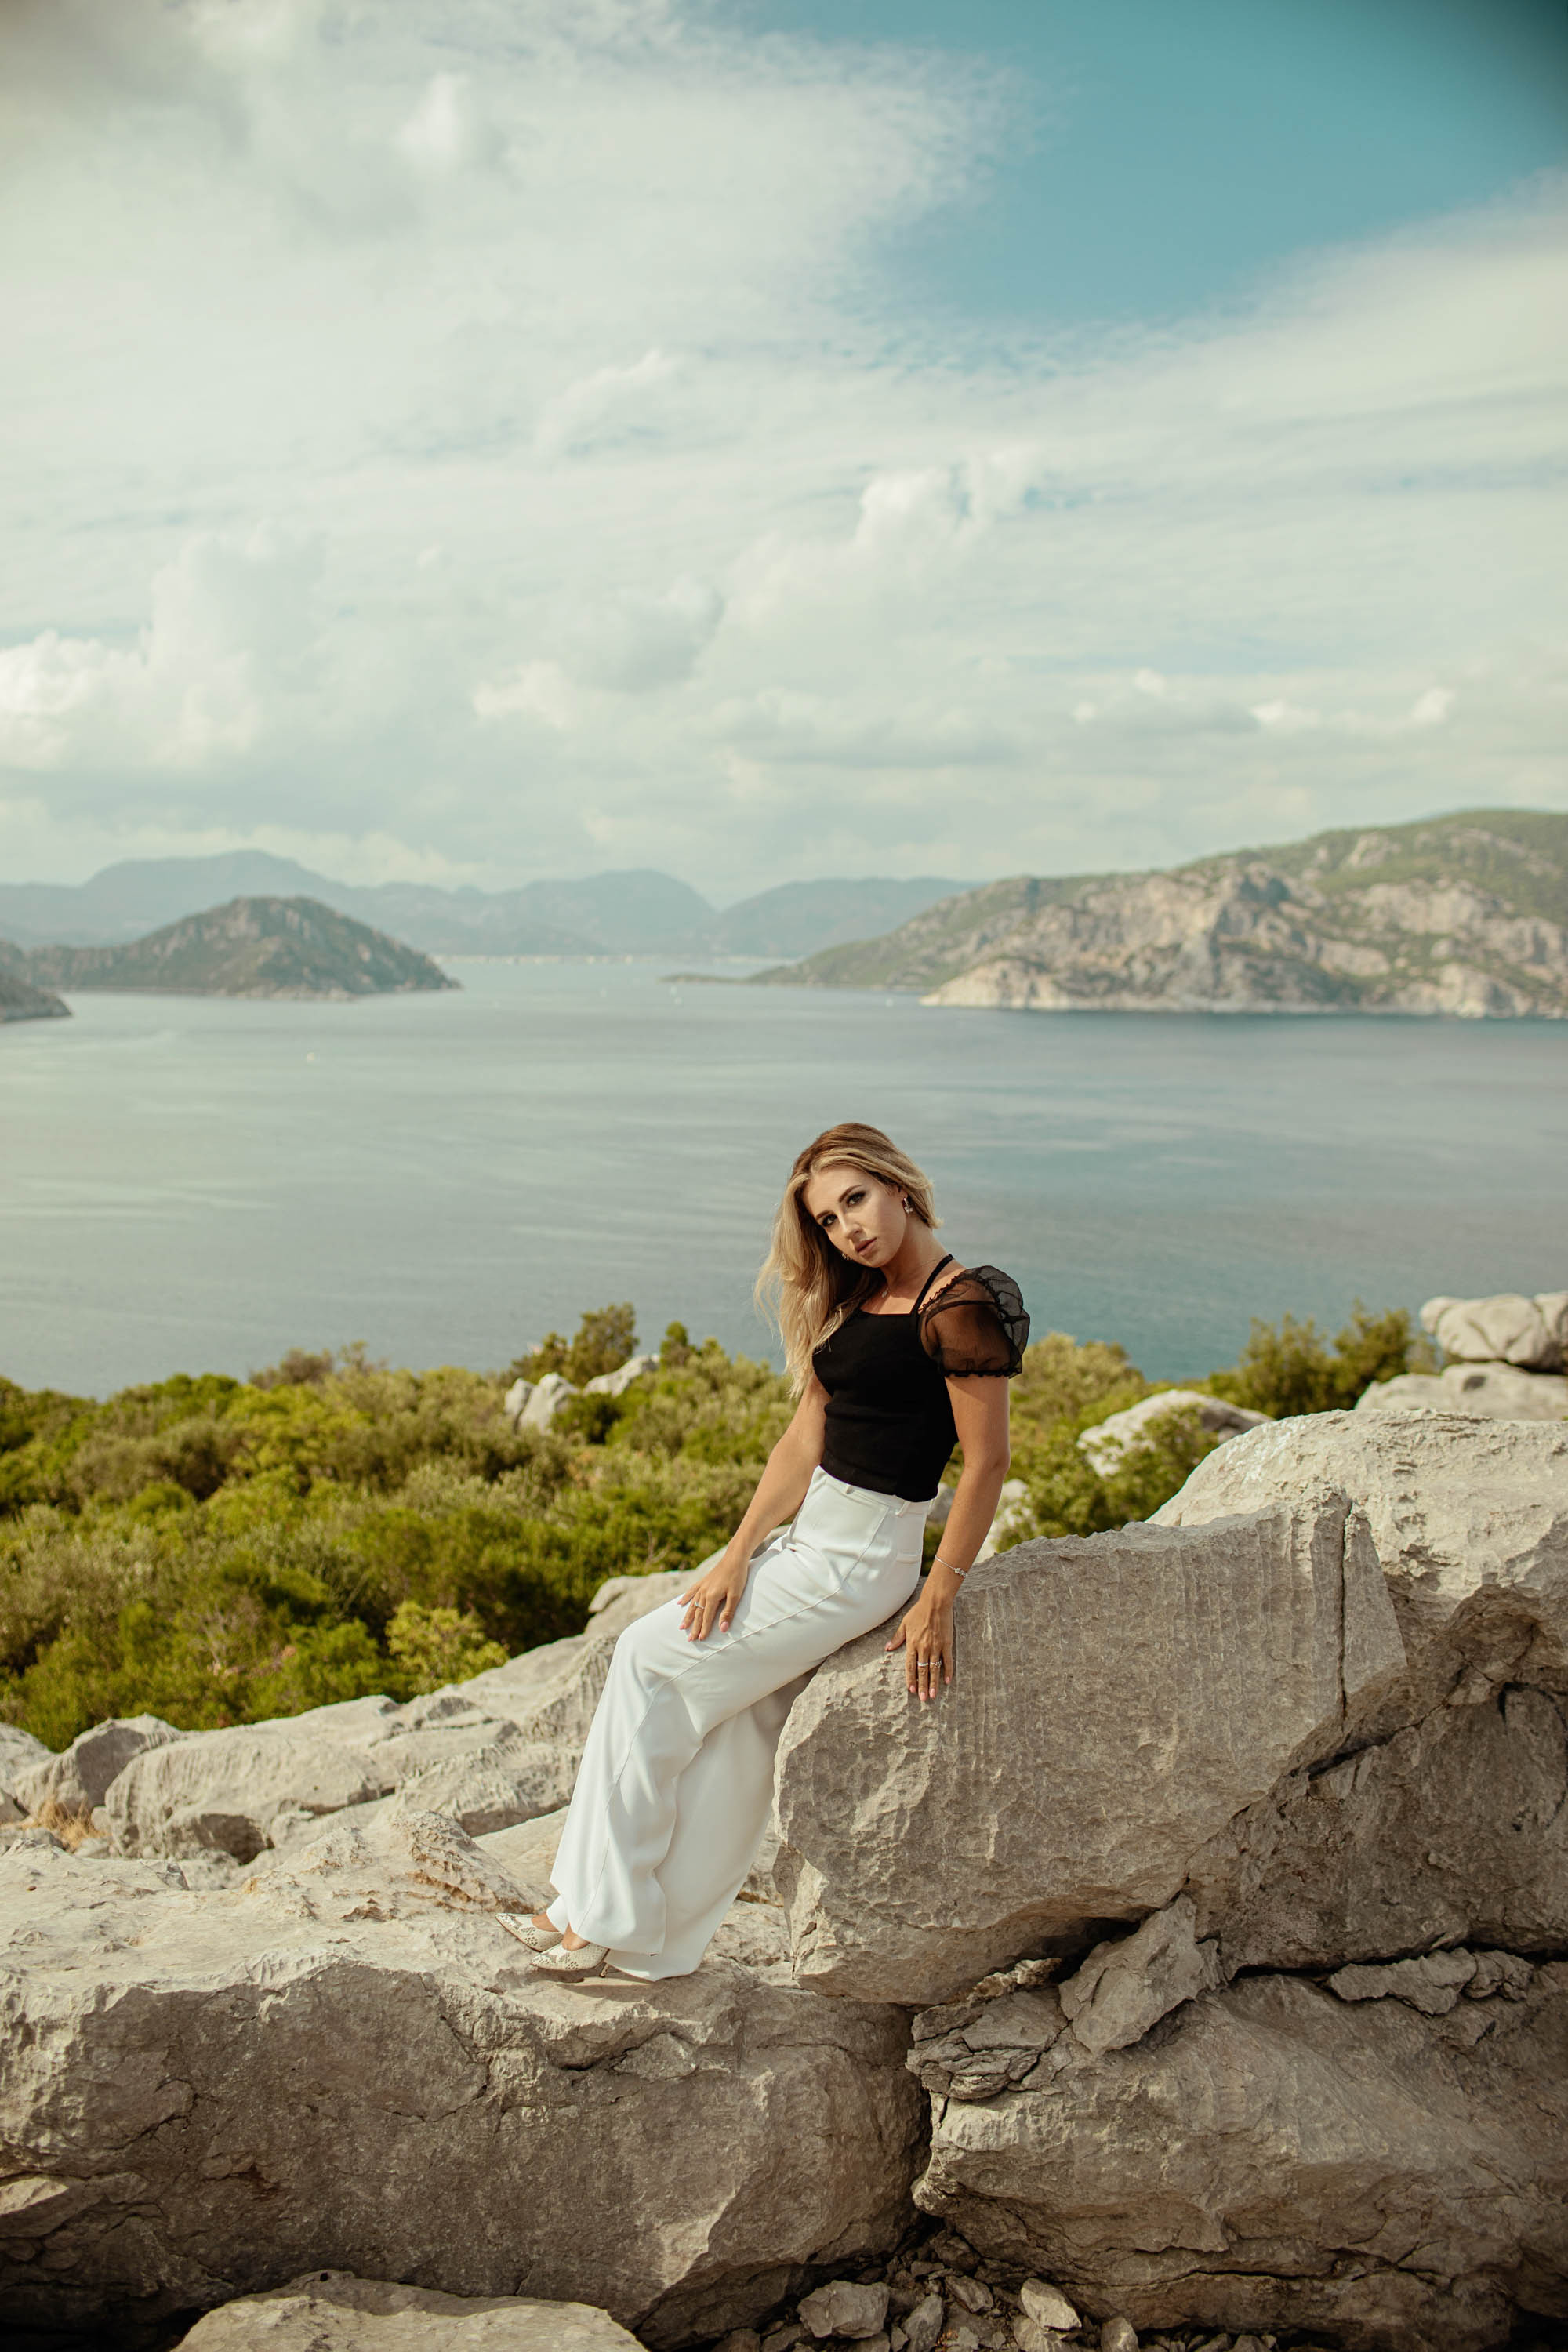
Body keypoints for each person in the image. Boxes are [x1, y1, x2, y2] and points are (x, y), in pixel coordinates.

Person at [510, 1121, 1029, 1982]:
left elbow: (988, 1463)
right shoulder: (862, 1298)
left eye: (855, 1200)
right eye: (827, 1219)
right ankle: (655, 1944)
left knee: (645, 1658)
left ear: (899, 1187)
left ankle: (593, 1914)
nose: (847, 1228)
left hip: (863, 1556)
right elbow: (804, 1434)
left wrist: (942, 1592)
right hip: (807, 1539)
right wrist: (737, 1551)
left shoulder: (960, 1303)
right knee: (740, 1733)